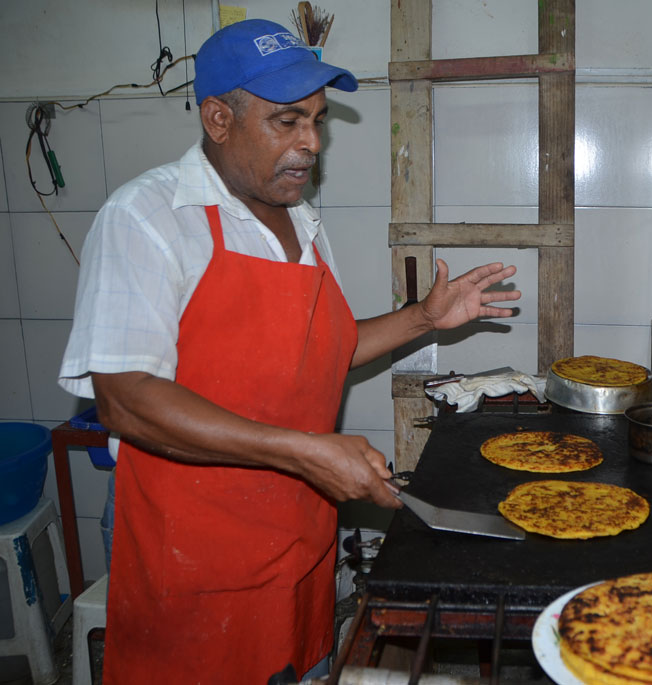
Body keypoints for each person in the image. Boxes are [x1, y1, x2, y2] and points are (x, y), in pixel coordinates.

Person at [58, 18, 520, 683]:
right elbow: (126, 399)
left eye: (318, 121)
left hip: (297, 539)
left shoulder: (299, 218)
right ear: (218, 118)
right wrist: (303, 450)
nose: (311, 144)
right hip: (195, 551)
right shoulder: (148, 218)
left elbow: (323, 351)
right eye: (287, 122)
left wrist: (424, 318)